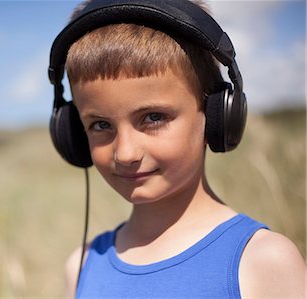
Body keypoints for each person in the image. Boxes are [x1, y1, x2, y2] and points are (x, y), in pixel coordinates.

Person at [47, 0, 306, 298]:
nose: (126, 153)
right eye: (101, 125)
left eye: (153, 117)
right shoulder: (81, 267)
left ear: (216, 116)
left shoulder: (262, 261)